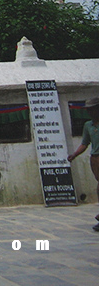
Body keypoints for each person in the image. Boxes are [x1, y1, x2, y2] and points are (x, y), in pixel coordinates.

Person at [67, 96, 99, 232]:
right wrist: (74, 155)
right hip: (96, 158)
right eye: (88, 110)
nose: (90, 113)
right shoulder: (88, 125)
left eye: (92, 110)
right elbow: (85, 144)